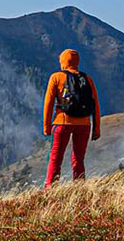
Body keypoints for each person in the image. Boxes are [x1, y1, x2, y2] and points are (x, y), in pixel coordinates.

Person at [42, 49, 102, 186]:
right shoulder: (87, 79)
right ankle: (79, 188)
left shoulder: (56, 77)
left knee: (56, 158)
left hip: (62, 122)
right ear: (77, 61)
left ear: (63, 61)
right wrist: (96, 129)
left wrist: (47, 127)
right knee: (79, 159)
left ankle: (50, 189)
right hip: (84, 124)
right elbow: (95, 105)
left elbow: (48, 104)